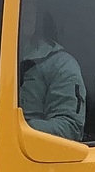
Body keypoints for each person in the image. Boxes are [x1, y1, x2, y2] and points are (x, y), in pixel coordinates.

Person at [18, 11, 86, 141]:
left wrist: (15, 129)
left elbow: (70, 128)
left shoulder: (61, 64)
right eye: (22, 6)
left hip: (35, 157)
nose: (26, 13)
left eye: (30, 5)